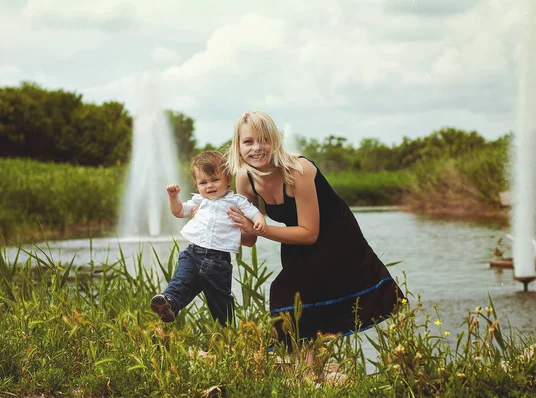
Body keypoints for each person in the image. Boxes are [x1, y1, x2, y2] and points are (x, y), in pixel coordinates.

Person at [225, 110, 404, 346]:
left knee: (286, 294)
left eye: (264, 140)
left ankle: (309, 371)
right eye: (248, 141)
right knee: (296, 303)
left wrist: (260, 228)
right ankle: (309, 372)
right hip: (294, 239)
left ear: (275, 141)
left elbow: (310, 233)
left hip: (335, 236)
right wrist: (218, 223)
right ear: (238, 146)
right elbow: (249, 238)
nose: (257, 147)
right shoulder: (245, 179)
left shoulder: (298, 169)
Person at [150, 150, 267, 326]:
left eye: (215, 180)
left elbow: (254, 211)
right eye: (203, 182)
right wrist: (173, 197)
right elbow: (179, 211)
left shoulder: (236, 201)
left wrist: (259, 222)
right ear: (196, 185)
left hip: (218, 261)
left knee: (220, 302)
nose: (209, 185)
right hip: (192, 253)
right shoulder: (199, 202)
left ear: (228, 179)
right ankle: (169, 303)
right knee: (181, 281)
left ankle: (227, 335)